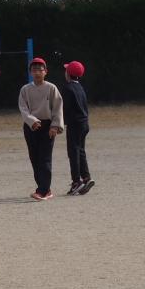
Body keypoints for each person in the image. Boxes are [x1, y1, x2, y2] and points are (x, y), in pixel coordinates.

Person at [18, 57, 64, 201]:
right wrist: (32, 121)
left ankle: (43, 191)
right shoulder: (25, 89)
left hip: (47, 127)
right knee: (34, 158)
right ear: (30, 72)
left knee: (44, 158)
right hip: (31, 127)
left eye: (40, 70)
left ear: (46, 72)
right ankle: (45, 188)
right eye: (34, 70)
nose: (37, 72)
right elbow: (23, 109)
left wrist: (55, 126)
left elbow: (58, 108)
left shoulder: (51, 88)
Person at [61, 61, 95, 196]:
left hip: (75, 124)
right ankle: (86, 177)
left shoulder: (68, 88)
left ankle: (77, 181)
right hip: (84, 123)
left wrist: (59, 122)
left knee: (73, 152)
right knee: (80, 150)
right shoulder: (80, 87)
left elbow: (66, 108)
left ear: (68, 74)